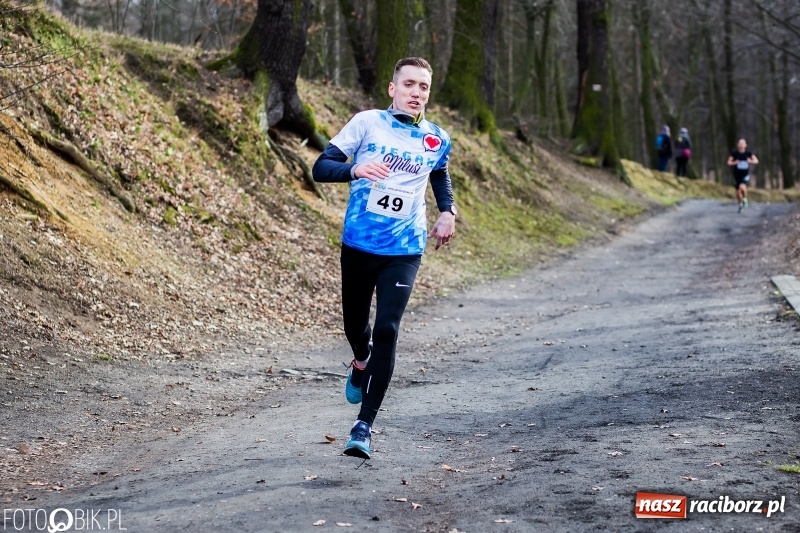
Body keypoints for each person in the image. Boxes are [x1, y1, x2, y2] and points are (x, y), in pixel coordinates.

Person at [311, 57, 457, 459]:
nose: (416, 92)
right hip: (359, 244)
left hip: (405, 248)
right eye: (409, 84)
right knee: (357, 329)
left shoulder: (436, 137)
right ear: (392, 89)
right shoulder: (367, 123)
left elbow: (439, 173)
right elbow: (321, 168)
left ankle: (364, 426)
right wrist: (355, 170)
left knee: (387, 330)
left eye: (423, 87)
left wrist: (447, 211)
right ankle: (360, 361)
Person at [727, 138, 758, 213]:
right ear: (738, 145)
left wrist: (750, 161)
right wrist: (735, 162)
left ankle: (745, 199)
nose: (741, 145)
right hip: (737, 175)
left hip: (745, 174)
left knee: (742, 187)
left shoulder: (748, 153)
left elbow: (756, 161)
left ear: (745, 145)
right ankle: (740, 203)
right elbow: (729, 162)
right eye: (740, 144)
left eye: (742, 144)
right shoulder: (735, 154)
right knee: (738, 192)